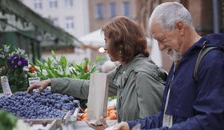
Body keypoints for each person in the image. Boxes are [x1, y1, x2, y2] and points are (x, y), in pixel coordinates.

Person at [113, 2, 224, 130]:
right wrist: (132, 127)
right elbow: (167, 118)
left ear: (180, 27)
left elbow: (207, 124)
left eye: (161, 39)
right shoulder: (180, 62)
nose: (160, 47)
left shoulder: (212, 61)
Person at [27, 16, 167, 122]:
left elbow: (152, 125)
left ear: (120, 44)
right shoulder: (125, 69)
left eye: (106, 41)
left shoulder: (142, 74)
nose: (105, 47)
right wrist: (52, 82)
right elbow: (90, 87)